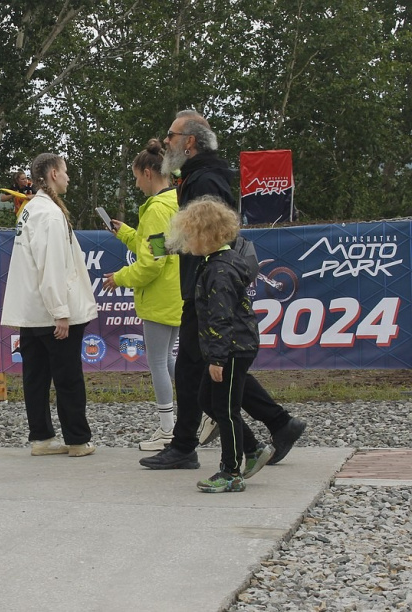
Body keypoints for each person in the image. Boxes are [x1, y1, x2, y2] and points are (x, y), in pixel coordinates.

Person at [140, 110, 306, 471]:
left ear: (190, 142)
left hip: (207, 287)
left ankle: (194, 446)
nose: (166, 141)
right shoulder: (197, 174)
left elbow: (214, 232)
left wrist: (169, 247)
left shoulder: (206, 180)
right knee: (208, 370)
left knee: (194, 371)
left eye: (171, 135)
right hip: (204, 284)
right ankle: (278, 423)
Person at [167, 196, 275, 491]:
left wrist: (217, 359)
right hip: (229, 348)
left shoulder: (220, 270)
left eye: (190, 234)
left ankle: (231, 472)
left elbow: (222, 318)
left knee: (226, 410)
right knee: (207, 400)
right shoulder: (215, 263)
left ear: (206, 235)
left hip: (231, 351)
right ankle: (252, 449)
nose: (186, 241)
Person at [1, 153, 97, 458]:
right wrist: (61, 312)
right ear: (53, 173)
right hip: (51, 311)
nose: (68, 177)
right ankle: (78, 440)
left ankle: (41, 437)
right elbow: (52, 266)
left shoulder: (33, 210)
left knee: (36, 377)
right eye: (66, 172)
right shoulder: (50, 215)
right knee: (68, 376)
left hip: (33, 312)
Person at [102, 139, 182, 451]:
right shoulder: (174, 203)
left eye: (136, 176)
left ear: (149, 173)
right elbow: (160, 249)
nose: (136, 183)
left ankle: (167, 429)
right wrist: (125, 233)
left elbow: (150, 264)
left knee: (158, 361)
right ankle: (201, 411)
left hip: (159, 299)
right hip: (175, 293)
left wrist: (119, 278)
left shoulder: (155, 211)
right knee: (171, 359)